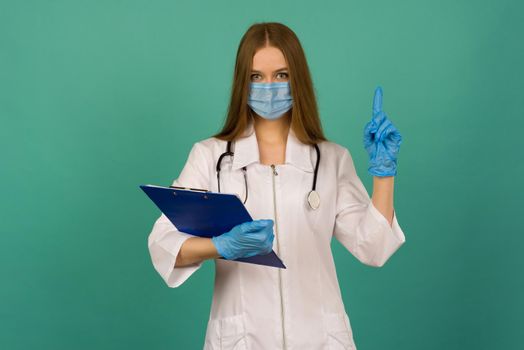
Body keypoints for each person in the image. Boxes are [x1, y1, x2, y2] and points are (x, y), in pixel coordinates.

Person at [147, 22, 405, 350]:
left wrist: (384, 173)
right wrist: (221, 247)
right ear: (243, 82)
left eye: (281, 75)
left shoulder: (330, 159)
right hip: (242, 340)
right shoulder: (211, 157)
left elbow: (375, 247)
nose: (269, 87)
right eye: (257, 77)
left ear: (298, 79)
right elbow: (163, 243)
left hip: (321, 339)